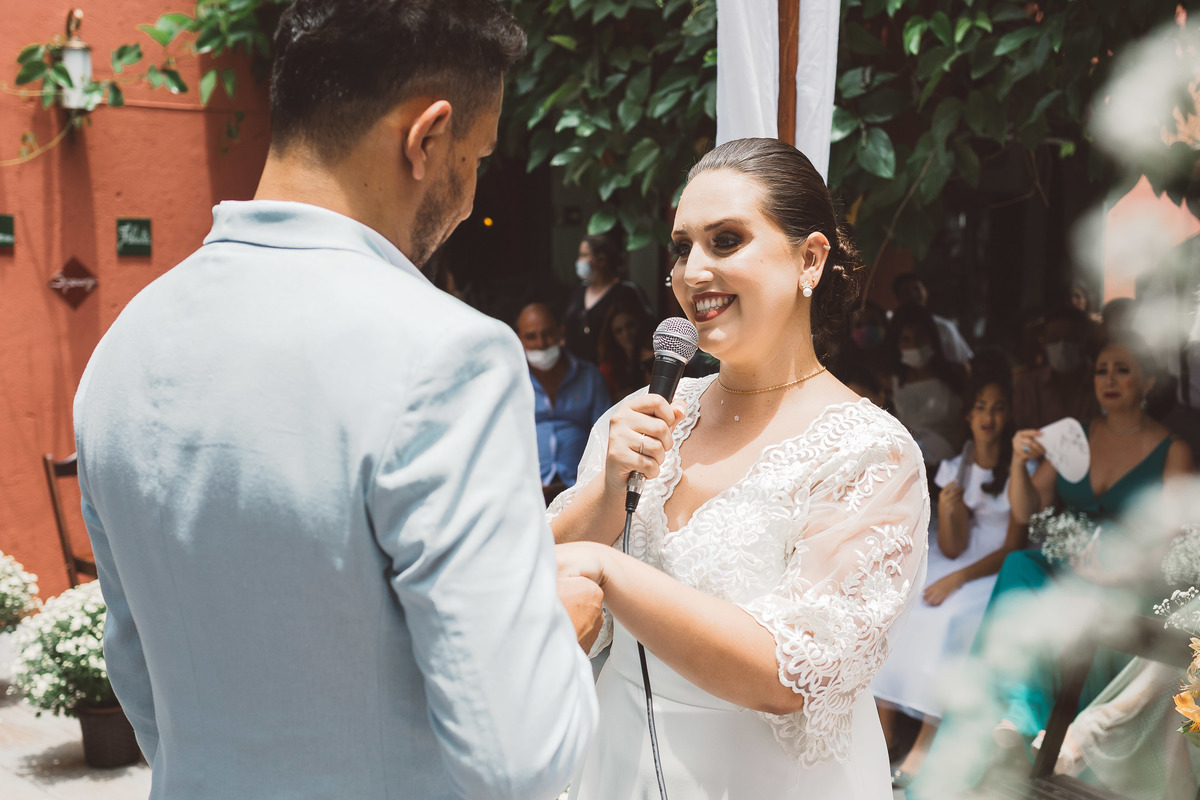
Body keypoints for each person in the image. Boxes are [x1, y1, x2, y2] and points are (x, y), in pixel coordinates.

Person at [71, 3, 600, 798]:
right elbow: (520, 759)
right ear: (427, 137)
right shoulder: (449, 353)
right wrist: (559, 626)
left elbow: (140, 680)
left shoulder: (125, 343)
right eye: (478, 156)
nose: (470, 198)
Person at [551, 138, 930, 799]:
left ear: (810, 258)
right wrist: (606, 495)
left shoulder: (871, 452)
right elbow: (536, 578)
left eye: (726, 241)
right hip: (617, 759)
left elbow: (792, 674)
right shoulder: (642, 418)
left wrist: (612, 571)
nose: (693, 271)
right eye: (682, 248)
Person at [913, 333, 1195, 799]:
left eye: (1123, 370)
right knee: (1021, 563)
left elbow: (1167, 545)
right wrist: (1019, 464)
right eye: (1102, 371)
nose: (1109, 380)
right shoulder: (1076, 437)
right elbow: (1027, 511)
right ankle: (1017, 717)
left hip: (1131, 579)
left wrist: (1115, 572)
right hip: (1070, 567)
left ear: (1147, 381)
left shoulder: (1174, 450)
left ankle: (1065, 739)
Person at [872, 364, 1030, 787]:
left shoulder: (1020, 468)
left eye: (998, 408)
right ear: (968, 414)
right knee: (906, 604)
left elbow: (1013, 546)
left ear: (1008, 415)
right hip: (959, 557)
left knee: (951, 618)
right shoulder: (957, 466)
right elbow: (954, 546)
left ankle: (927, 740)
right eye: (981, 407)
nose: (988, 417)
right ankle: (885, 730)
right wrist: (947, 511)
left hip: (997, 566)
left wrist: (957, 580)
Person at [516, 302, 611, 500]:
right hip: (526, 492)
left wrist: (588, 483)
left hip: (583, 490)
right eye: (531, 337)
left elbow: (607, 434)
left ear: (561, 332)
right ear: (520, 340)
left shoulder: (589, 376)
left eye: (547, 333)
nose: (541, 343)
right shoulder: (514, 383)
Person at [887, 303, 968, 464]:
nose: (915, 345)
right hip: (912, 463)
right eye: (906, 339)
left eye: (921, 336)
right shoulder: (892, 382)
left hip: (954, 460)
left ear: (932, 337)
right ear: (896, 344)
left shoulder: (957, 374)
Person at [563, 231, 651, 364]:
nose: (579, 261)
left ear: (601, 260)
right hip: (576, 368)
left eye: (584, 255)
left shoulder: (626, 293)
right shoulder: (579, 291)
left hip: (612, 369)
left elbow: (644, 330)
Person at [1012, 305, 1098, 431]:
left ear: (1085, 342)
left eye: (1070, 339)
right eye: (1054, 339)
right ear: (1044, 343)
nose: (1062, 347)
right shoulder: (1028, 387)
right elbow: (1017, 434)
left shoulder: (1102, 384)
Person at [893, 272, 974, 367]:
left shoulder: (944, 327)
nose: (913, 295)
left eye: (917, 289)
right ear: (898, 297)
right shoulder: (894, 329)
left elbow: (962, 363)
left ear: (926, 292)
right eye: (906, 292)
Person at [596, 304, 653, 400]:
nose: (626, 334)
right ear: (612, 336)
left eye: (630, 326)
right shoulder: (607, 369)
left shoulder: (654, 355)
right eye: (619, 331)